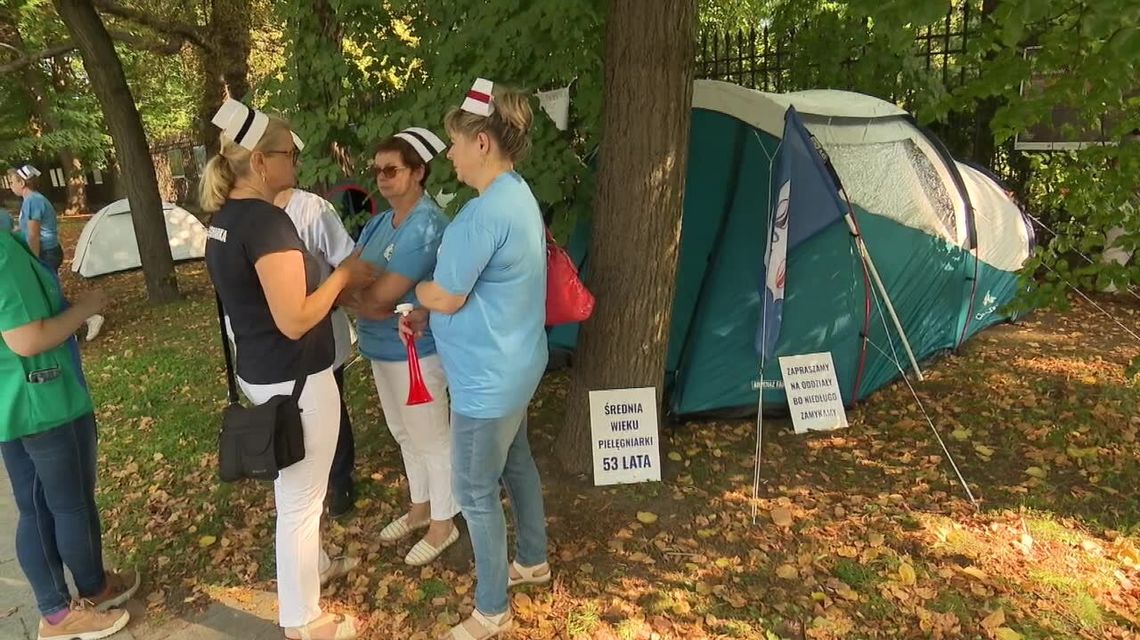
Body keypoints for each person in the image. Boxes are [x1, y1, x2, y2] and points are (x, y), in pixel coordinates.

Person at [202, 99, 376, 640]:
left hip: (262, 371)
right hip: (297, 379)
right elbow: (297, 318)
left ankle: (316, 566)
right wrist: (342, 276)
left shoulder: (224, 221)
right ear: (259, 162)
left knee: (299, 489)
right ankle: (304, 619)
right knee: (300, 501)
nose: (295, 165)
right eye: (288, 154)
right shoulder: (267, 223)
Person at [401, 78, 550, 640]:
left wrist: (419, 299)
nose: (451, 154)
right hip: (516, 365)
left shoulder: (484, 213)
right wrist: (430, 303)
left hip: (488, 382)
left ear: (482, 142)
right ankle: (531, 559)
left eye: (455, 143)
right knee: (516, 463)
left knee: (474, 490)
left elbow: (448, 293)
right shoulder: (518, 194)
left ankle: (492, 610)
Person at [0, 222, 140, 639]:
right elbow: (27, 339)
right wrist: (85, 308)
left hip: (20, 400)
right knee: (65, 505)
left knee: (44, 506)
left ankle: (93, 589)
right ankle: (59, 613)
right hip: (40, 402)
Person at [352, 127, 459, 566]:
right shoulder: (379, 221)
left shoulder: (428, 224)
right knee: (403, 433)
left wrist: (366, 291)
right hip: (381, 347)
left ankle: (444, 521)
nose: (381, 177)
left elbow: (377, 296)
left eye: (392, 169)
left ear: (418, 172)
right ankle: (420, 507)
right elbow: (350, 278)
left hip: (417, 348)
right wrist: (365, 292)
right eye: (377, 170)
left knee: (431, 436)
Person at [271, 187, 359, 518]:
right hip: (275, 342)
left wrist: (329, 296)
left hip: (320, 333)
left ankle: (340, 479)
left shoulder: (311, 209)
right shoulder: (250, 211)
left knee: (329, 405)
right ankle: (299, 477)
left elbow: (348, 261)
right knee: (289, 409)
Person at [8, 165, 105, 342]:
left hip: (45, 253)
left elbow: (34, 235)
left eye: (13, 181)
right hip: (46, 252)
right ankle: (72, 327)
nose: (11, 185)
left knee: (48, 293)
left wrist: (33, 262)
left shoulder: (33, 201)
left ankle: (88, 319)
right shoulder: (31, 200)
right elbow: (24, 229)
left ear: (22, 182)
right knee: (48, 292)